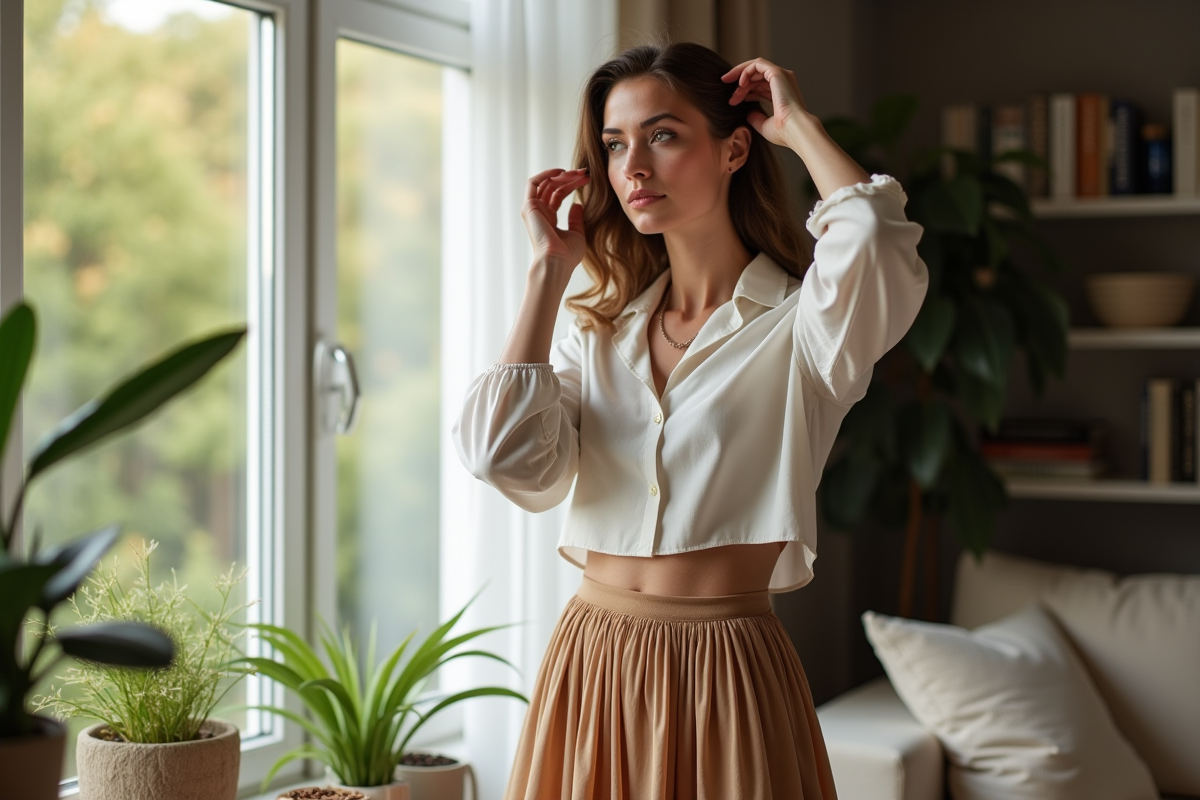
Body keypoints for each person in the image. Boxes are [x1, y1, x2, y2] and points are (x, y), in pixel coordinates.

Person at [452, 41, 928, 800]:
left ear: (735, 147)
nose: (633, 166)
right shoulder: (598, 330)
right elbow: (503, 458)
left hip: (726, 671)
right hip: (592, 659)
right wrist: (548, 272)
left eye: (663, 135)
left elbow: (871, 241)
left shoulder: (806, 329)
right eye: (615, 145)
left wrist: (798, 124)